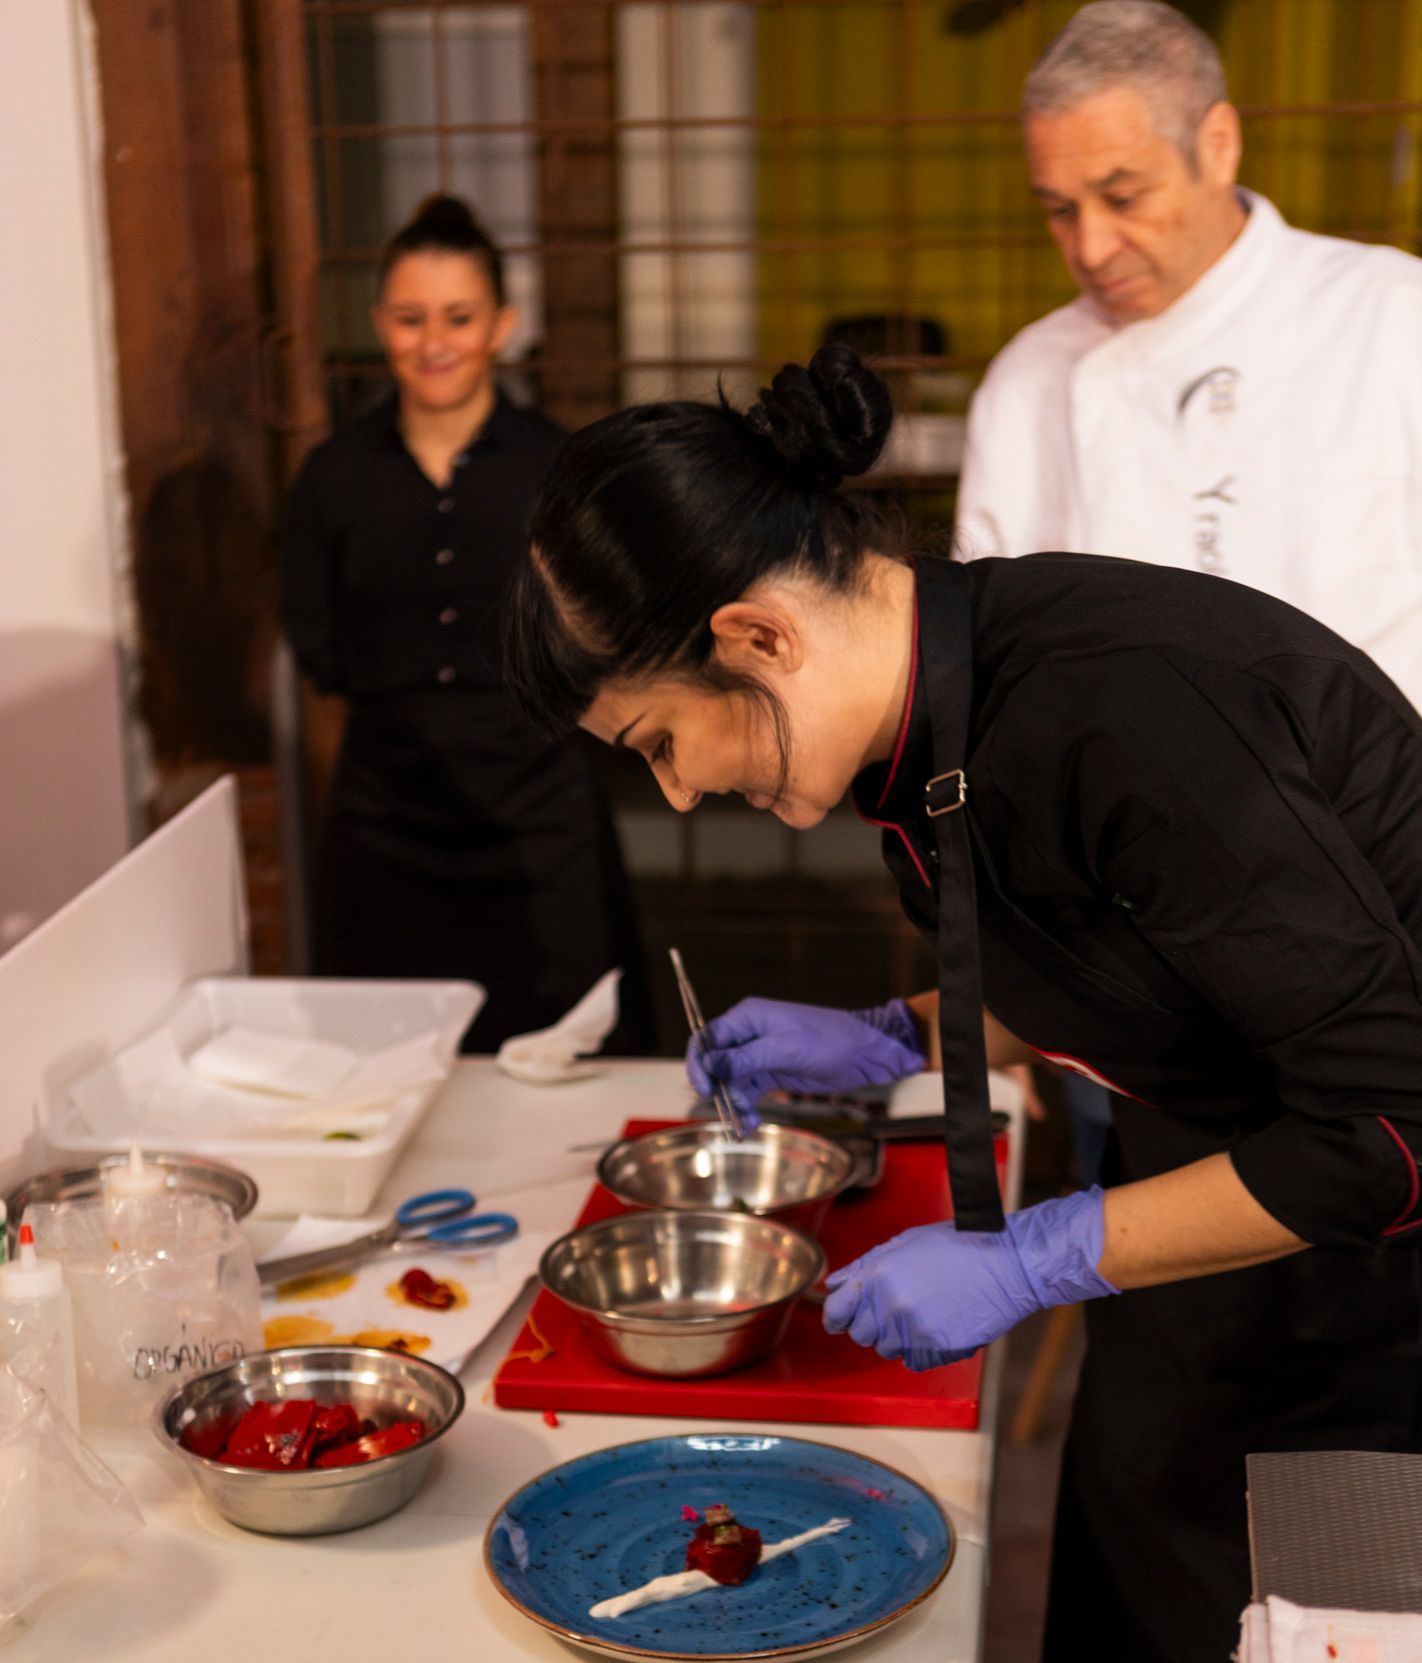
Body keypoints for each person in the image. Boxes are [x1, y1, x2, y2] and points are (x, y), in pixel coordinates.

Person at [505, 345, 1422, 1663]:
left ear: (756, 636)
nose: (680, 793)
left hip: (1366, 1287)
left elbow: (1390, 1128)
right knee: (1125, 1567)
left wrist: (1034, 1255)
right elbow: (1123, 954)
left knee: (1251, 1615)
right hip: (1203, 1224)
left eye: (659, 740)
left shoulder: (1133, 714)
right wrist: (896, 1029)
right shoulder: (934, 713)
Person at [953, 0, 1422, 712]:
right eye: (1061, 210)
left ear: (1219, 144)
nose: (1090, 247)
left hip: (1378, 806)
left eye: (1124, 197)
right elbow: (986, 653)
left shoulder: (1390, 314)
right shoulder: (1027, 378)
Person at [281, 195, 651, 1052]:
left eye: (459, 317)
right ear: (380, 324)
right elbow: (317, 641)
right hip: (385, 820)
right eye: (410, 319)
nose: (434, 341)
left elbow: (605, 626)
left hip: (539, 815)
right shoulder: (334, 476)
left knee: (566, 1053)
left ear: (502, 325)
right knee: (382, 1060)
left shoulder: (557, 463)